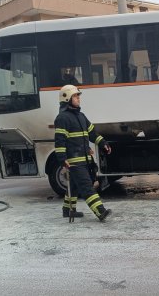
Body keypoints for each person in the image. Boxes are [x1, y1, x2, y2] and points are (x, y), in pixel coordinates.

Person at [54, 84, 112, 221]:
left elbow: (92, 133)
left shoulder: (81, 116)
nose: (78, 98)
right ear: (67, 98)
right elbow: (59, 141)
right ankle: (100, 211)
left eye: (78, 96)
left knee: (73, 186)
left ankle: (68, 210)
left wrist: (103, 143)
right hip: (74, 161)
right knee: (87, 187)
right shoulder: (62, 118)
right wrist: (62, 159)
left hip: (84, 159)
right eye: (75, 96)